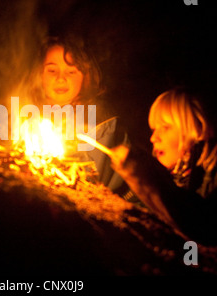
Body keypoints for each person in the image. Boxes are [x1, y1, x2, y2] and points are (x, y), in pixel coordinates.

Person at [110, 87, 217, 258]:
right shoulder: (177, 175)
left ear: (194, 129)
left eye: (165, 127)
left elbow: (209, 228)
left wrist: (144, 178)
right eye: (153, 129)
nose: (154, 138)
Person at [16, 35, 134, 199]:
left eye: (71, 71)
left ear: (86, 76)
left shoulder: (100, 122)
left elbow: (95, 182)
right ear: (39, 74)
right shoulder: (27, 120)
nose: (61, 78)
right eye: (52, 70)